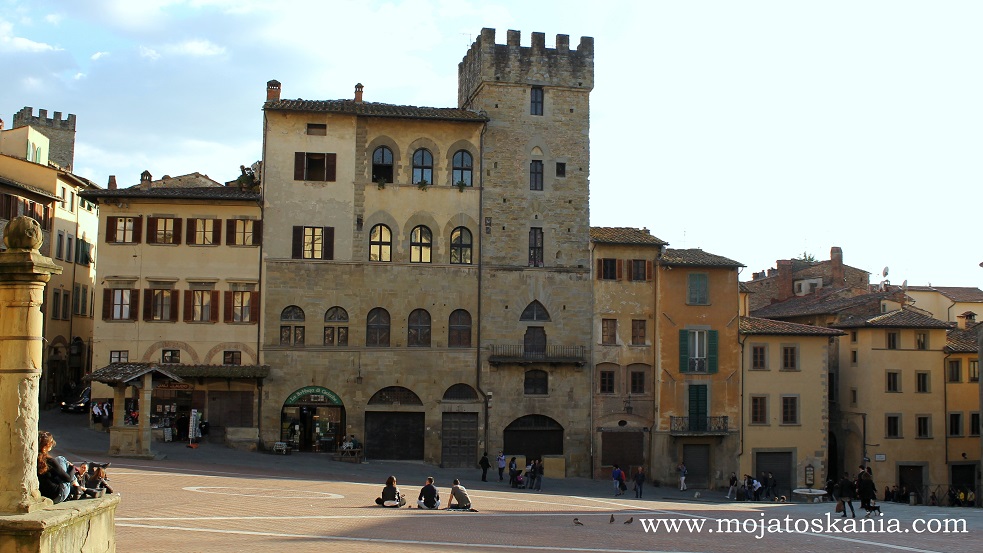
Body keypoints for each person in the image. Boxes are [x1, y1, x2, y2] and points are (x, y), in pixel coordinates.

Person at [37, 431, 78, 504]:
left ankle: (81, 489)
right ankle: (78, 487)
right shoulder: (50, 461)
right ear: (47, 445)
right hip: (57, 495)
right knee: (60, 459)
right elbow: (68, 479)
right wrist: (73, 468)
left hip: (44, 494)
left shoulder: (35, 458)